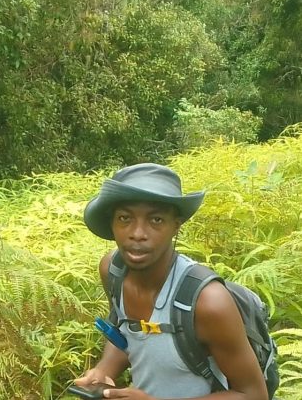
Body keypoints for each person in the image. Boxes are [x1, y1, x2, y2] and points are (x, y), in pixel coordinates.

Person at [74, 163, 268, 400]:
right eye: (125, 218)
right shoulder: (113, 271)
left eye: (155, 220)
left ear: (176, 226)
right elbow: (127, 336)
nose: (137, 233)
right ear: (112, 223)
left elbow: (253, 394)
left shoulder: (207, 303)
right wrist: (104, 371)